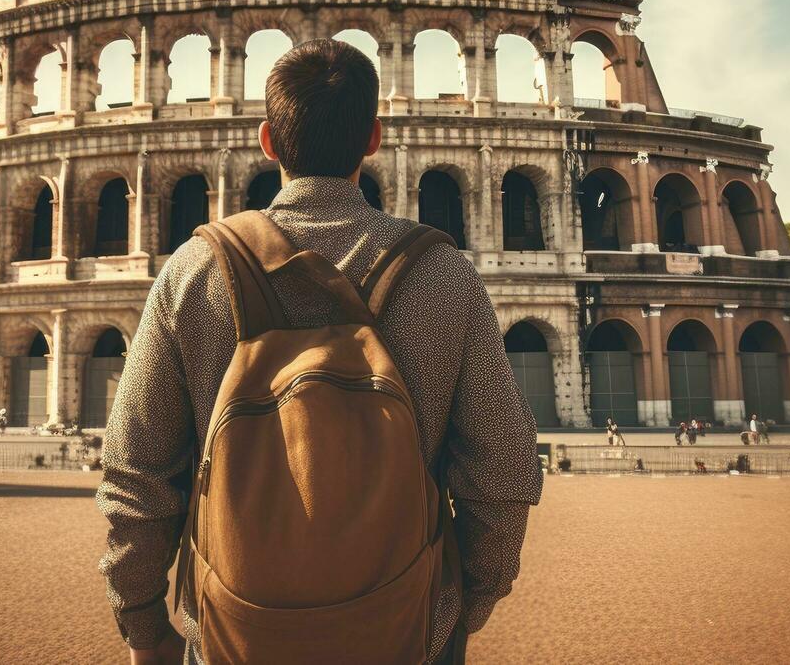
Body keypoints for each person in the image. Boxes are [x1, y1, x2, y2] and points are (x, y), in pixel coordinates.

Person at [97, 39, 542, 665]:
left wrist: (144, 625)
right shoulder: (443, 273)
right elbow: (502, 467)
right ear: (373, 139)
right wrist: (464, 604)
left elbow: (136, 473)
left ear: (268, 142)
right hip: (406, 629)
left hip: (234, 633)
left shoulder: (194, 272)